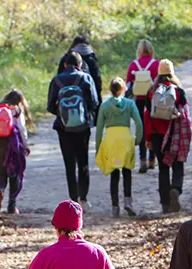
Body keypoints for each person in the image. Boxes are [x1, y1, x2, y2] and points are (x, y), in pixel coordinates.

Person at [48, 52, 99, 209]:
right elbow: (94, 102)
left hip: (63, 128)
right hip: (83, 127)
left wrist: (63, 114)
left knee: (69, 164)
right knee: (83, 162)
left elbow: (50, 106)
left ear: (64, 65)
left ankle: (73, 200)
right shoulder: (85, 78)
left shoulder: (56, 80)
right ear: (79, 65)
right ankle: (84, 199)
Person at [144, 59, 192, 213]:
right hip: (174, 135)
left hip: (157, 135)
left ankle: (165, 204)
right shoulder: (178, 91)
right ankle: (176, 189)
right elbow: (185, 114)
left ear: (159, 73)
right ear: (172, 72)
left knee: (163, 168)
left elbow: (147, 116)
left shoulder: (152, 91)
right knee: (178, 164)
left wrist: (148, 138)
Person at [95, 77, 143, 217]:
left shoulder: (104, 106)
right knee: (127, 172)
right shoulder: (129, 104)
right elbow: (139, 123)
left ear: (110, 90)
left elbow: (99, 129)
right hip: (126, 138)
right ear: (123, 89)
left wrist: (99, 148)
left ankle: (115, 206)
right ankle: (128, 202)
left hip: (111, 139)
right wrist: (137, 140)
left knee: (114, 174)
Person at [0, 89, 33, 214]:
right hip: (14, 145)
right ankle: (12, 206)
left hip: (0, 144)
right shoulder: (16, 111)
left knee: (0, 173)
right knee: (15, 174)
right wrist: (26, 145)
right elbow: (22, 130)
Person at [126, 40, 160, 174]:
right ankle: (152, 159)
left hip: (138, 100)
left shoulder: (134, 64)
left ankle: (142, 160)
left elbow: (128, 83)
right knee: (152, 128)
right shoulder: (156, 64)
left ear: (139, 50)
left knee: (141, 128)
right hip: (152, 100)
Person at [57, 36, 102, 119]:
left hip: (65, 100)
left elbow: (58, 77)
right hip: (85, 100)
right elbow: (97, 81)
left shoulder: (66, 58)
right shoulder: (91, 58)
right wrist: (95, 105)